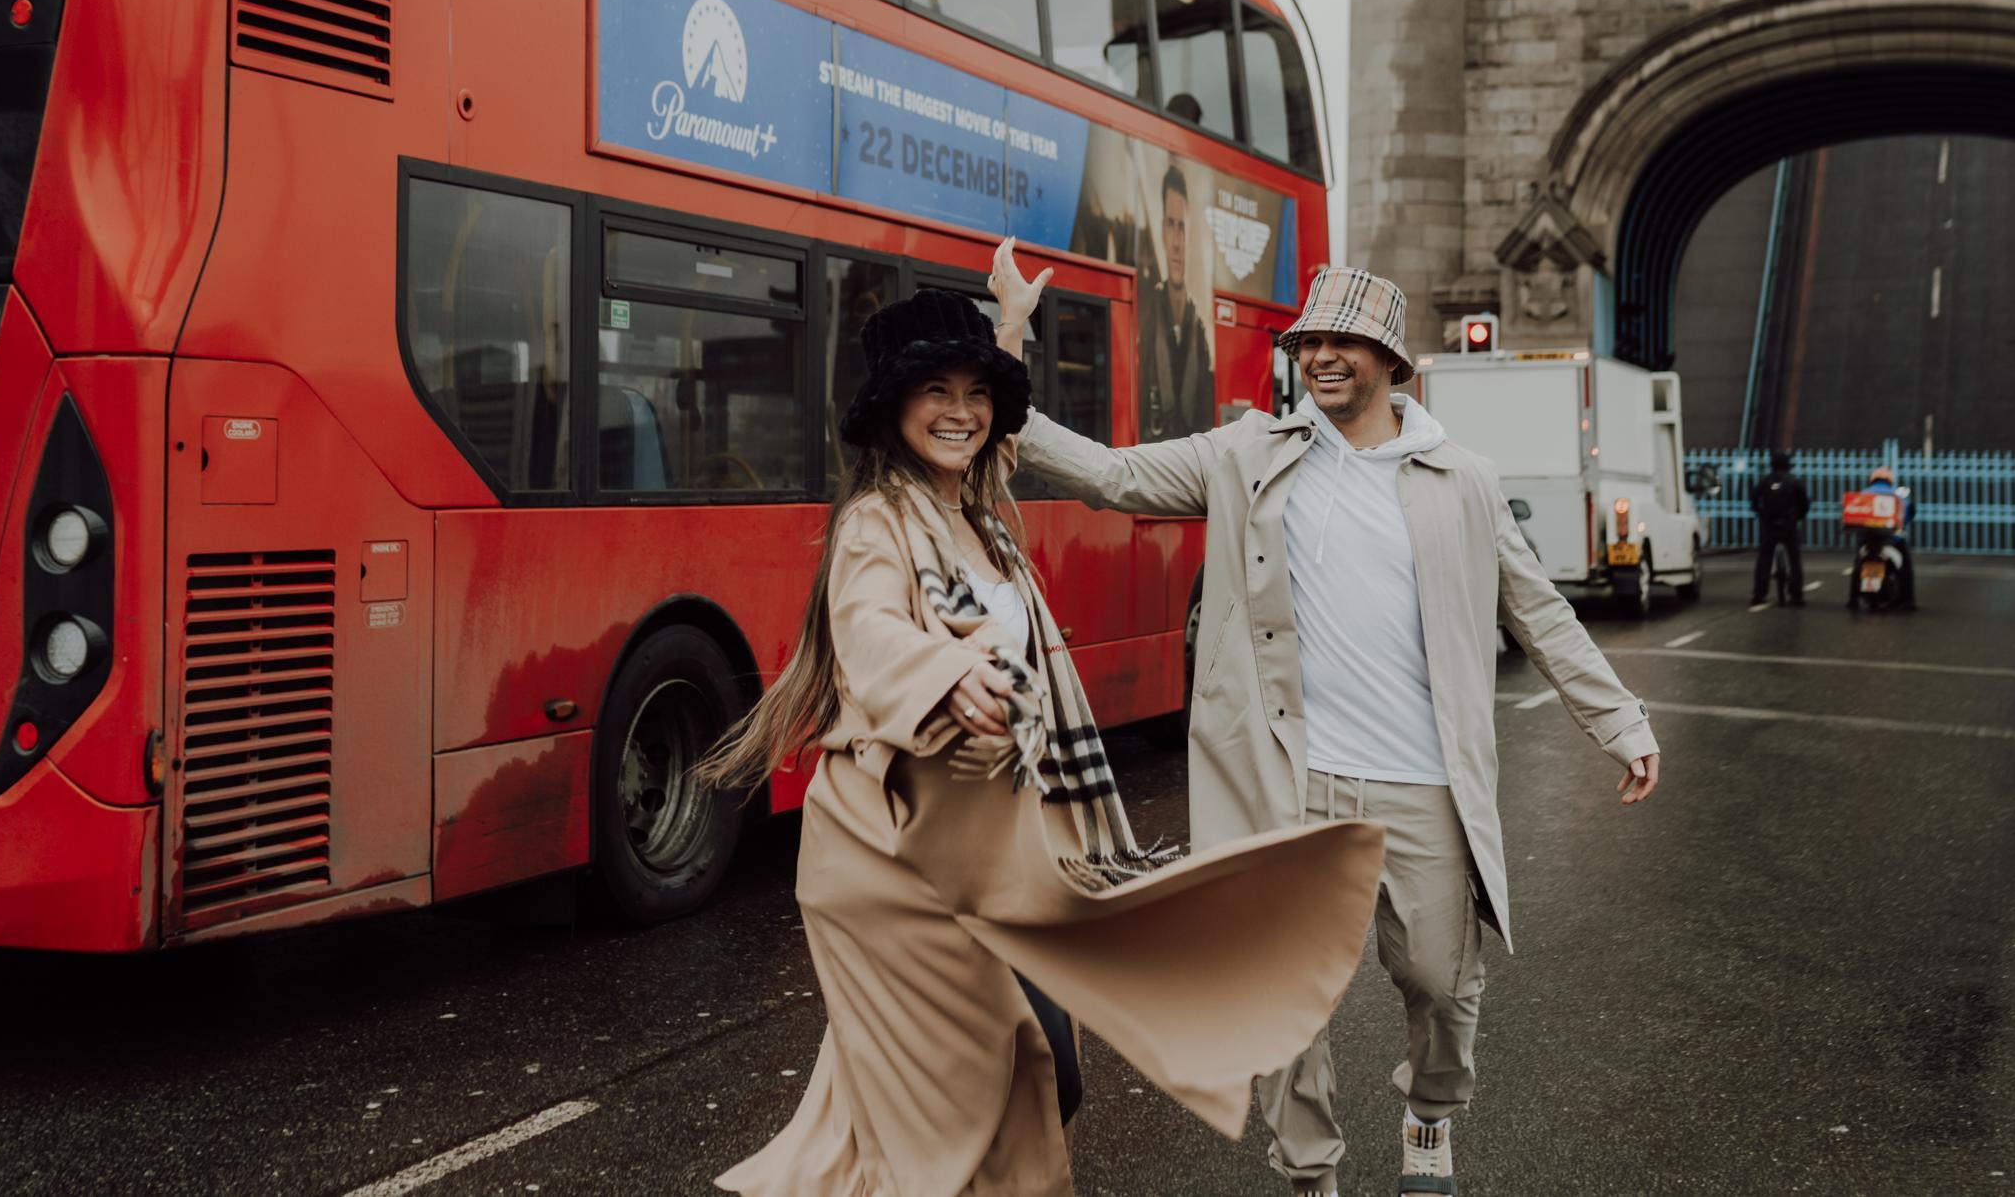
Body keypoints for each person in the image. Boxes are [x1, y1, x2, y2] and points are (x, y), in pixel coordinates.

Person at [991, 244, 1660, 1197]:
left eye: (1348, 341)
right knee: (1279, 997)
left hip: (1420, 777)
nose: (1324, 356)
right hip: (1287, 778)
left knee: (1441, 979)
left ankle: (1429, 1113)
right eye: (1311, 342)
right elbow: (1108, 474)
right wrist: (1007, 337)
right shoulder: (1247, 454)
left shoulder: (1459, 476)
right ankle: (1309, 1170)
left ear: (1394, 362)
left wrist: (1620, 719)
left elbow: (1538, 606)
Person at [706, 289, 1384, 1197]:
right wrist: (945, 675)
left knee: (1022, 1078)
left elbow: (999, 436)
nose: (960, 411)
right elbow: (868, 628)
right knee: (971, 1100)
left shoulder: (977, 510)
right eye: (934, 391)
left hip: (994, 850)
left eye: (975, 391)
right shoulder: (878, 521)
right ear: (892, 406)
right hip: (891, 856)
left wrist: (1011, 333)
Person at [1137, 161, 1214, 441]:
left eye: (1182, 227)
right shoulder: (1147, 319)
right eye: (1171, 225)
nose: (1177, 242)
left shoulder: (1201, 330)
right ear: (1162, 233)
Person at [1845, 464, 1917, 611]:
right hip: (1891, 541)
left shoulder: (1863, 495)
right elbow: (1906, 517)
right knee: (1906, 567)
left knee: (1858, 563)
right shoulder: (1897, 497)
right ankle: (1907, 600)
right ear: (1890, 480)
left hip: (1867, 540)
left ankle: (1853, 599)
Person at [1749, 450, 1810, 606]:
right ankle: (1796, 595)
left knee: (1764, 558)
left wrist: (1761, 514)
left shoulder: (1765, 481)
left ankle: (1759, 594)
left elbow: (1754, 499)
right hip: (1789, 524)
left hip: (1769, 524)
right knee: (1794, 558)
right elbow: (1804, 503)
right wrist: (1798, 516)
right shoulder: (1794, 481)